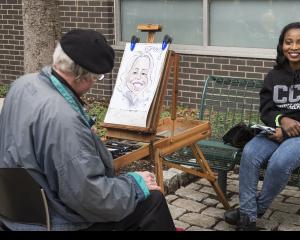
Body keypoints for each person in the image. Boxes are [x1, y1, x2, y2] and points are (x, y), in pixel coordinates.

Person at [0, 29, 176, 231]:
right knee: (152, 201)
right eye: (96, 77)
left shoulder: (22, 85)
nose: (94, 83)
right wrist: (135, 185)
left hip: (16, 213)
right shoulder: (64, 120)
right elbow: (90, 198)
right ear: (81, 77)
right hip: (54, 221)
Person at [224, 22, 300, 231]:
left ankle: (251, 211)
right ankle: (248, 221)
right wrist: (281, 121)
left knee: (280, 160)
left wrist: (287, 132)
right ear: (282, 45)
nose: (294, 47)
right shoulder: (275, 75)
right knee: (250, 152)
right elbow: (267, 110)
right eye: (289, 42)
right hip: (277, 132)